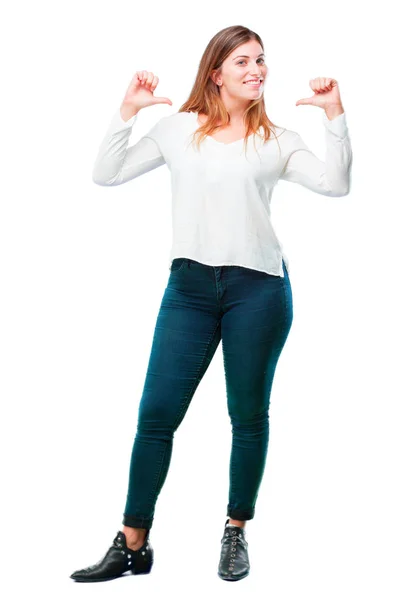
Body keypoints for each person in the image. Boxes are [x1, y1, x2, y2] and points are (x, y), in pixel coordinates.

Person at [70, 25, 352, 583]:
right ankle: (132, 543)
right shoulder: (179, 130)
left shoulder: (279, 139)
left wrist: (334, 117)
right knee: (156, 416)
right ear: (216, 71)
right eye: (243, 61)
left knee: (247, 418)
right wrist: (127, 110)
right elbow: (107, 174)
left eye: (262, 61)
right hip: (190, 291)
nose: (257, 70)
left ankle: (235, 531)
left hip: (259, 291)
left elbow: (336, 184)